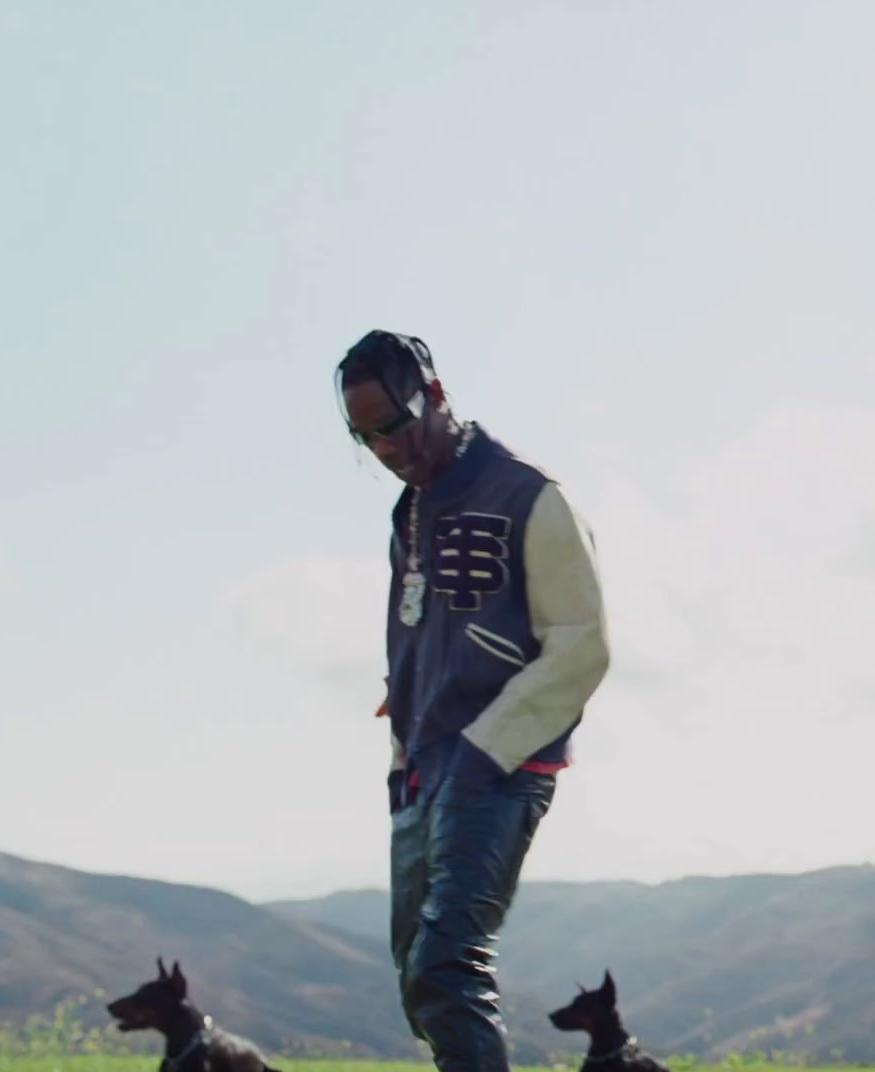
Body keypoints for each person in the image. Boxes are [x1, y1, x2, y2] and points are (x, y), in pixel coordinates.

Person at [335, 329, 611, 1072]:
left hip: (498, 765)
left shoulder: (529, 495)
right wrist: (404, 711)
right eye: (365, 438)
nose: (386, 448)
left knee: (445, 969)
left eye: (392, 425)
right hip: (421, 766)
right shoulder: (410, 509)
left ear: (437, 395)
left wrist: (486, 745)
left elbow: (583, 644)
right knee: (418, 982)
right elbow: (420, 623)